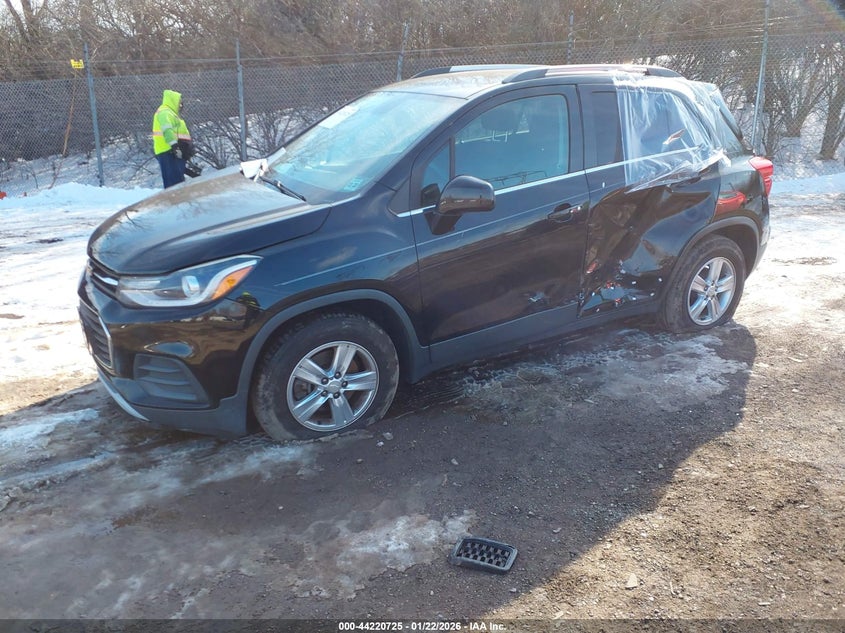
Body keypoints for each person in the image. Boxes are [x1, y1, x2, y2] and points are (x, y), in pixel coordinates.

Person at [152, 89, 194, 188]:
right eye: (179, 102)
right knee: (174, 185)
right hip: (168, 151)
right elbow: (167, 130)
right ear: (173, 101)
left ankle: (178, 201)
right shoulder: (165, 113)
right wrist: (175, 146)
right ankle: (175, 202)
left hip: (174, 152)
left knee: (178, 182)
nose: (181, 105)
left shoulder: (172, 114)